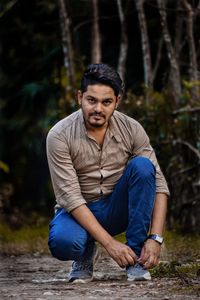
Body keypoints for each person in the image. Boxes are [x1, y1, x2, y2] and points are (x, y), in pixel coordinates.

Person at [46, 63, 169, 283]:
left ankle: (135, 258)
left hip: (116, 208)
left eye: (106, 102)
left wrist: (156, 238)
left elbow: (159, 184)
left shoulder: (132, 128)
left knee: (143, 166)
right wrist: (110, 244)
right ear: (79, 97)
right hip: (79, 210)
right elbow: (70, 198)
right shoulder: (59, 135)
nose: (98, 109)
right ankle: (84, 253)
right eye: (91, 100)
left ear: (117, 101)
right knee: (63, 242)